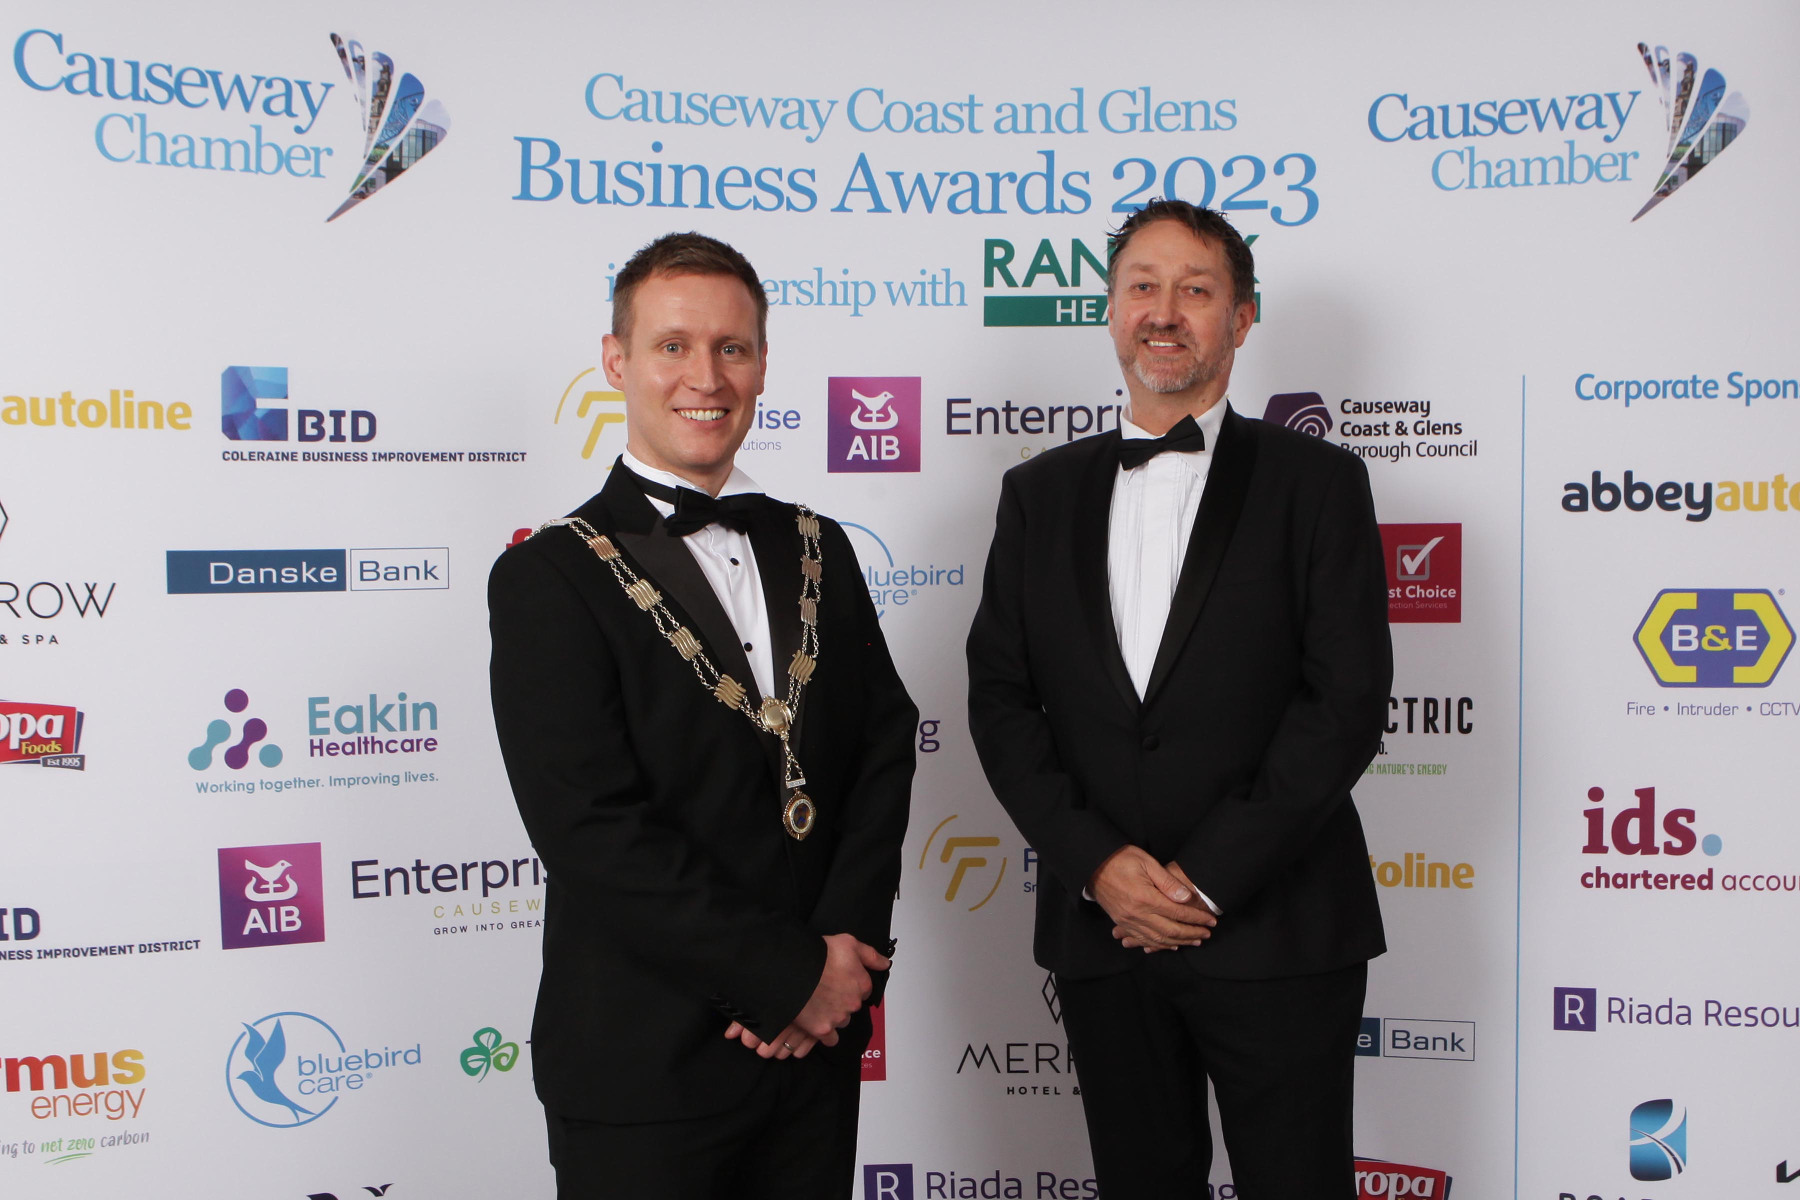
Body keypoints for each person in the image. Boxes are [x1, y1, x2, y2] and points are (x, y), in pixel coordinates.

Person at [966, 199, 1392, 1198]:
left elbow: (1345, 704)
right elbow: (1000, 702)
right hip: (1103, 932)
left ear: (1240, 318)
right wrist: (1099, 866)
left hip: (1280, 926)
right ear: (1112, 311)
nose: (1164, 311)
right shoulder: (1038, 495)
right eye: (1142, 287)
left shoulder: (1320, 483)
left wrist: (1203, 881)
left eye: (1195, 290)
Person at [489, 231, 916, 1198]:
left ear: (762, 363)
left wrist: (840, 962)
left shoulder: (822, 547)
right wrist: (783, 978)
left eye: (732, 348)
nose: (706, 378)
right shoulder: (549, 576)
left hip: (815, 1056)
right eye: (673, 346)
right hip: (644, 1067)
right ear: (616, 362)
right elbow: (589, 827)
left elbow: (884, 748)